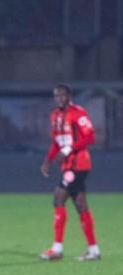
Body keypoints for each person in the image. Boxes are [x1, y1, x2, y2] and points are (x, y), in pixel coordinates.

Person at [39, 84, 101, 261]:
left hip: (79, 164)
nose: (59, 98)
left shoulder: (78, 112)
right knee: (80, 204)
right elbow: (56, 143)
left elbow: (90, 136)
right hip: (68, 166)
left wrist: (68, 150)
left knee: (59, 197)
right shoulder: (54, 115)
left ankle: (57, 249)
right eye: (56, 95)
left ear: (69, 96)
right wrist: (47, 161)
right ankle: (94, 250)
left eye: (62, 95)